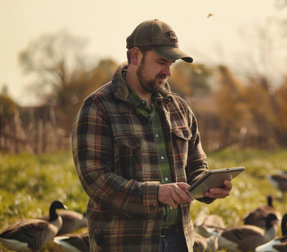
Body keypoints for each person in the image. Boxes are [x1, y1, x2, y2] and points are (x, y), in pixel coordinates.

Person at [71, 19, 232, 252]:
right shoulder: (98, 107)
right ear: (135, 56)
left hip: (180, 241)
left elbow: (196, 165)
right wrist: (155, 193)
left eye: (171, 64)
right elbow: (96, 181)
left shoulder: (179, 108)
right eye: (162, 62)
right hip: (124, 243)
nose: (168, 72)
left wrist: (208, 187)